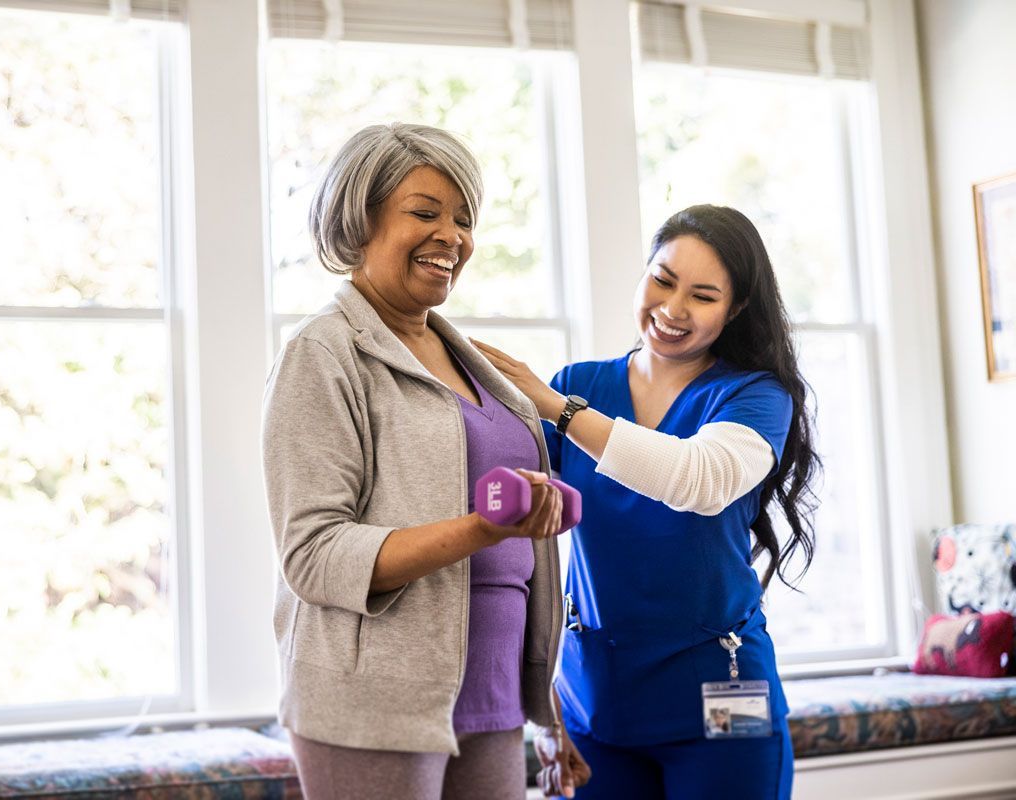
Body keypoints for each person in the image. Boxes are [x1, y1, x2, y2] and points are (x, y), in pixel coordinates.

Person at [262, 123, 585, 800]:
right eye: (426, 212)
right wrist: (481, 528)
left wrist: (547, 709)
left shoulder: (475, 363)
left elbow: (519, 569)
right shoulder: (322, 355)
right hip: (373, 707)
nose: (453, 236)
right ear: (362, 219)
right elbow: (315, 555)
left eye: (464, 219)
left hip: (493, 699)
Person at [475, 204, 820, 800]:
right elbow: (516, 539)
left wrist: (559, 409)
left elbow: (698, 480)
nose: (672, 308)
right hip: (594, 701)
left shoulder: (755, 395)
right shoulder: (580, 380)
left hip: (722, 702)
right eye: (662, 279)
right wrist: (544, 701)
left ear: (735, 308)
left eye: (703, 295)